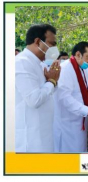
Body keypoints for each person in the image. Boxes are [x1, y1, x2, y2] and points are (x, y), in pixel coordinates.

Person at [53, 42, 88, 153]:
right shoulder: (65, 69)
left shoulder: (79, 68)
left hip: (79, 119)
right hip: (68, 123)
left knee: (80, 150)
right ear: (78, 55)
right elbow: (65, 98)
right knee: (70, 154)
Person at [15, 24, 61, 152]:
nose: (54, 49)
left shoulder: (39, 64)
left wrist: (52, 82)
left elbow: (48, 92)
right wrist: (52, 81)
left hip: (43, 132)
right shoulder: (22, 63)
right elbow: (34, 99)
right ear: (37, 42)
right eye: (52, 44)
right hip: (31, 139)